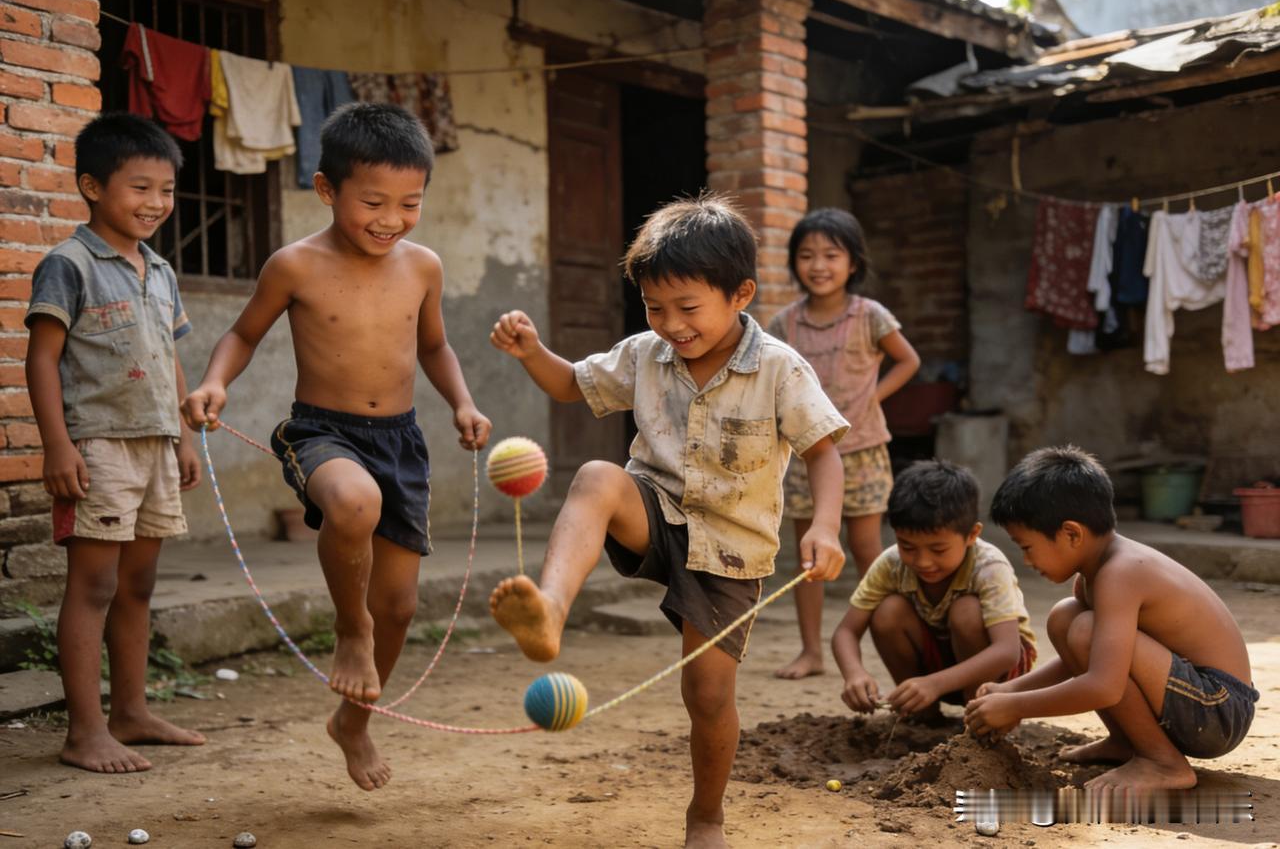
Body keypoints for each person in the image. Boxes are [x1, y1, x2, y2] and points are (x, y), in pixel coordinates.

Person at [487, 194, 849, 849]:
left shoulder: (779, 368)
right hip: (654, 507)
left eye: (688, 308)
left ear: (740, 294)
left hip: (731, 549)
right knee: (597, 477)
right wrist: (532, 351)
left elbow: (823, 452)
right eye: (655, 308)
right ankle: (550, 609)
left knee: (706, 695)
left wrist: (824, 527)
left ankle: (706, 816)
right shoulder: (644, 353)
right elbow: (571, 385)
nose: (671, 325)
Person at [182, 102, 491, 791]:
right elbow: (242, 334)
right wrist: (214, 382)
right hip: (322, 431)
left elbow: (435, 347)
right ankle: (351, 630)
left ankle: (352, 722)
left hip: (400, 440)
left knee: (400, 607)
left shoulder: (424, 267)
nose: (391, 219)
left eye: (410, 203)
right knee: (353, 503)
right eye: (373, 202)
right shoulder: (294, 265)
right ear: (327, 189)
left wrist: (463, 403)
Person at [25, 112, 205, 773]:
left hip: (156, 445)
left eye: (167, 190)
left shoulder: (160, 270)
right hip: (99, 447)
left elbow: (169, 357)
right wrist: (57, 445)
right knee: (94, 584)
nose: (156, 203)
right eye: (140, 188)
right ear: (92, 187)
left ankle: (131, 713)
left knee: (139, 582)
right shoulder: (67, 265)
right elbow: (41, 359)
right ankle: (85, 731)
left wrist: (184, 436)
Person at [968, 446, 1257, 792]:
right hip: (1198, 701)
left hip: (1219, 709)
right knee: (1065, 618)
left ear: (1072, 534)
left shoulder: (1120, 574)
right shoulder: (1093, 576)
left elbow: (1103, 685)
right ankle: (1127, 741)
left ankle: (1162, 762)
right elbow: (1094, 656)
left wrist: (1016, 706)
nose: (1027, 561)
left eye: (1026, 547)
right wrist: (1012, 689)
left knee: (1084, 629)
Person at [767, 207, 920, 679]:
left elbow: (908, 361)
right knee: (809, 555)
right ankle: (811, 651)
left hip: (864, 448)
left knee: (867, 549)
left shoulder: (870, 315)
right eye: (807, 255)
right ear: (794, 262)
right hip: (806, 455)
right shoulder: (785, 324)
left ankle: (890, 645)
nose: (819, 265)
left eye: (831, 255)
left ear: (853, 262)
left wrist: (873, 397)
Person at [830, 460, 1036, 717]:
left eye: (938, 549)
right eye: (907, 547)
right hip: (934, 671)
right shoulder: (891, 563)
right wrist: (854, 674)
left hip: (1000, 677)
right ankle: (920, 713)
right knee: (888, 611)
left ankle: (981, 715)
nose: (923, 561)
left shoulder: (989, 567)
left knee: (966, 611)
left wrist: (935, 683)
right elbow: (846, 632)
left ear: (972, 535)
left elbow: (1006, 652)